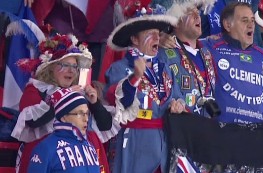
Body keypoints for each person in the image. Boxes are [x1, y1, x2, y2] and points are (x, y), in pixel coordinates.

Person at [11, 33, 112, 173]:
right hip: (45, 158)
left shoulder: (79, 92)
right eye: (65, 65)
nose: (71, 71)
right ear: (50, 68)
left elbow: (106, 125)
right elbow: (32, 122)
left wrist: (95, 103)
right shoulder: (35, 89)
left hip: (76, 160)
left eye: (75, 66)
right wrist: (60, 97)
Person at [104, 5, 186, 173]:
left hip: (164, 148)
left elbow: (179, 97)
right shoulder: (119, 68)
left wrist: (178, 104)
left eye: (158, 33)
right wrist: (135, 78)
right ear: (134, 39)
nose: (157, 38)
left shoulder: (165, 68)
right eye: (150, 34)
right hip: (135, 146)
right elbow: (120, 102)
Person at [203, 2, 263, 124]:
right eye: (244, 20)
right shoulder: (209, 48)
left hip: (256, 138)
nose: (251, 25)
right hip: (221, 136)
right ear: (227, 25)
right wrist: (166, 39)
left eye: (252, 20)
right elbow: (183, 44)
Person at [158, 0, 218, 118]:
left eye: (198, 11)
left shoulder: (207, 52)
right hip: (179, 130)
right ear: (176, 21)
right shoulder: (163, 52)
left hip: (206, 129)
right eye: (190, 12)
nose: (197, 16)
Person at [27, 88, 101, 173]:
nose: (86, 119)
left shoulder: (89, 146)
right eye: (80, 114)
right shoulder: (45, 148)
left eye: (87, 113)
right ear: (64, 117)